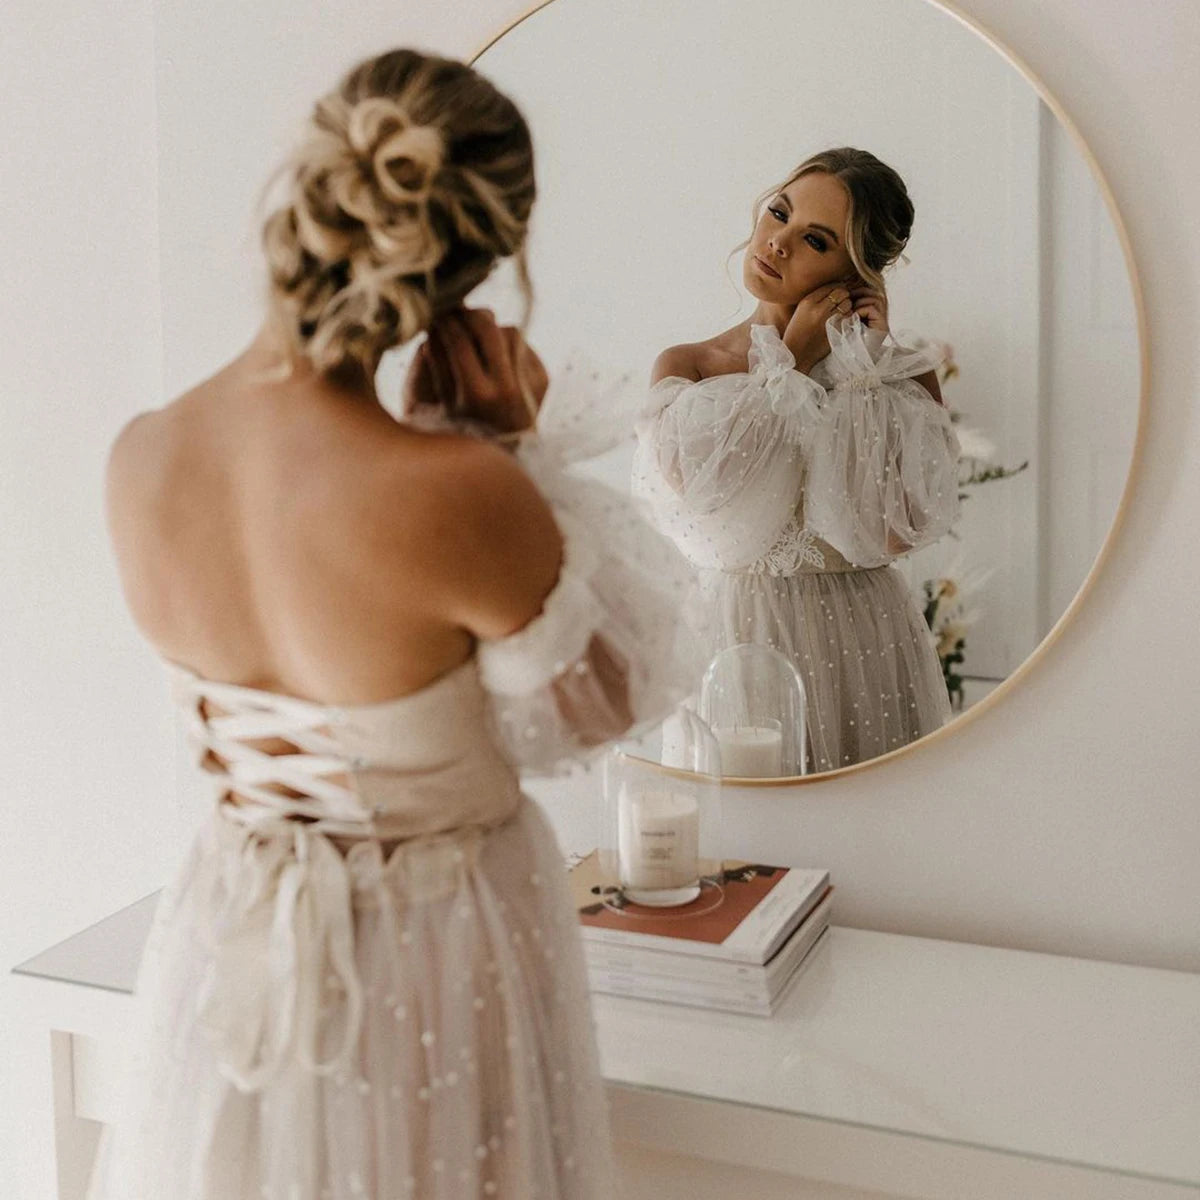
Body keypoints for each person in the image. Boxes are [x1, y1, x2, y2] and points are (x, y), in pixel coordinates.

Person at [89, 48, 697, 1200]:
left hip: (228, 941)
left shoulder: (141, 457)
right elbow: (594, 711)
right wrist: (514, 454)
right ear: (472, 274)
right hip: (437, 953)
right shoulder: (457, 497)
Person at [632, 148, 960, 773]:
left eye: (813, 239)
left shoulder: (900, 379)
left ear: (857, 271)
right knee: (744, 854)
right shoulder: (688, 368)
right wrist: (790, 366)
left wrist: (867, 366)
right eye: (778, 213)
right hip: (738, 642)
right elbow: (708, 518)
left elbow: (893, 533)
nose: (777, 243)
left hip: (865, 636)